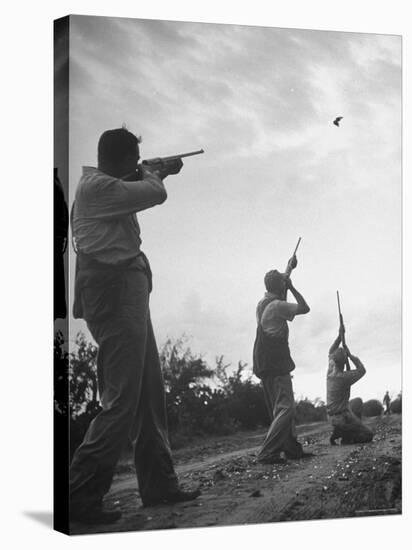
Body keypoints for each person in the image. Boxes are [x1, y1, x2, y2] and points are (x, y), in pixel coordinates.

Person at [69, 128, 200, 525]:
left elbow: (138, 187)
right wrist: (156, 175)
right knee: (123, 399)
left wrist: (148, 172)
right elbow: (154, 194)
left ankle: (158, 484)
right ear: (126, 158)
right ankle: (79, 494)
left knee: (148, 394)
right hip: (114, 291)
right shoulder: (96, 188)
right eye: (136, 159)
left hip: (125, 291)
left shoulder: (105, 184)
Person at [253, 259, 311, 464]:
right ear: (280, 286)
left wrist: (289, 269)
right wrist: (292, 285)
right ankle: (267, 452)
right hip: (276, 363)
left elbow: (279, 292)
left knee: (280, 408)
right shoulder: (276, 306)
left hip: (264, 363)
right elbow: (305, 308)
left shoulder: (263, 303)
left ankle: (291, 449)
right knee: (287, 408)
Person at [327, 325, 374, 445]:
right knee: (368, 435)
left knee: (357, 401)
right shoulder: (343, 378)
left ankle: (342, 430)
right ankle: (347, 435)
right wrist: (351, 355)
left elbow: (331, 351)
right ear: (344, 362)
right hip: (342, 417)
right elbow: (362, 370)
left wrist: (339, 336)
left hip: (332, 416)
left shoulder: (331, 370)